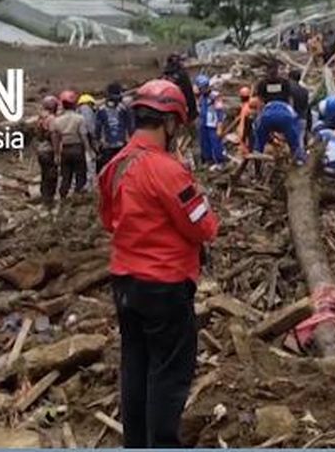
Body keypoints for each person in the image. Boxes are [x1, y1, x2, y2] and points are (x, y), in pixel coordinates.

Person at [97, 79, 219, 449]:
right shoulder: (169, 171)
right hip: (165, 285)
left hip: (125, 283)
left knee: (136, 368)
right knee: (169, 373)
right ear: (169, 123)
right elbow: (204, 226)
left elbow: (108, 220)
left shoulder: (114, 167)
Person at [52, 90, 92, 199]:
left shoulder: (57, 121)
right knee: (80, 173)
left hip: (65, 149)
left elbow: (56, 139)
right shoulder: (80, 119)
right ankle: (78, 195)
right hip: (78, 148)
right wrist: (89, 151)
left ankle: (63, 196)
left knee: (66, 175)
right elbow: (83, 135)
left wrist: (56, 154)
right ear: (74, 104)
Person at [95, 83, 131, 172]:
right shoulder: (123, 108)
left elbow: (97, 128)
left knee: (109, 169)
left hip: (108, 145)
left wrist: (98, 142)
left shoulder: (101, 109)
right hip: (121, 144)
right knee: (121, 169)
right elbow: (130, 126)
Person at [195, 75, 227, 168]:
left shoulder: (215, 96)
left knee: (215, 143)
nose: (202, 90)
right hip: (203, 123)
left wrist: (220, 126)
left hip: (213, 124)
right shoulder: (201, 97)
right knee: (205, 143)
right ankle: (208, 160)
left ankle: (220, 162)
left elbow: (220, 111)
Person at [35, 96, 59, 207]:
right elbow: (54, 136)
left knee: (44, 175)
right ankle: (49, 200)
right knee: (51, 176)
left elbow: (39, 136)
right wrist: (57, 153)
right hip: (49, 151)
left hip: (41, 150)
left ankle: (44, 196)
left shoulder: (40, 119)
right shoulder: (51, 119)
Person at [163, 54, 198, 124]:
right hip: (180, 107)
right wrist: (192, 112)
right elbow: (189, 93)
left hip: (166, 109)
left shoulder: (165, 76)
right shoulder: (182, 74)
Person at [287, 68, 311, 147]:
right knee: (300, 142)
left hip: (291, 118)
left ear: (290, 78)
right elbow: (307, 107)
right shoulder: (304, 91)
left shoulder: (288, 89)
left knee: (289, 142)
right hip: (302, 118)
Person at [77, 93, 98, 178]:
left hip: (75, 143)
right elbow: (90, 127)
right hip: (86, 141)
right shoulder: (87, 110)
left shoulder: (77, 110)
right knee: (90, 162)